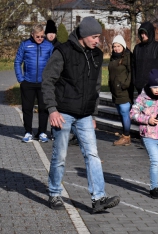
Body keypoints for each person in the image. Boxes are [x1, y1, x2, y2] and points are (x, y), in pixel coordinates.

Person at [41, 17, 120, 213]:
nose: (97, 41)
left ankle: (99, 198)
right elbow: (47, 81)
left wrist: (93, 114)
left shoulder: (97, 55)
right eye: (94, 37)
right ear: (84, 35)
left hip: (85, 115)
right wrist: (52, 110)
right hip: (63, 113)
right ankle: (54, 193)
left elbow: (95, 86)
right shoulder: (63, 52)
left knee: (92, 154)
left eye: (99, 37)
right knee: (60, 155)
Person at [130, 69, 158, 199]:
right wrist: (147, 120)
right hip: (148, 135)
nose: (157, 90)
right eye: (154, 87)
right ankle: (154, 188)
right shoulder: (142, 98)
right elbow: (133, 114)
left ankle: (156, 177)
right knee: (155, 161)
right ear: (149, 86)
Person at [14, 24, 53, 143]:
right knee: (27, 108)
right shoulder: (25, 45)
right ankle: (28, 132)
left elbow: (53, 64)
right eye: (38, 36)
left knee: (43, 109)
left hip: (43, 83)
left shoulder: (49, 46)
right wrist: (21, 79)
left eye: (42, 36)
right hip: (28, 82)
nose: (40, 38)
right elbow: (17, 62)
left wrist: (50, 80)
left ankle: (42, 133)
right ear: (32, 34)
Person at [108, 35, 133, 146]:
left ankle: (126, 136)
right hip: (115, 90)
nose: (116, 48)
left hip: (124, 90)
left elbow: (131, 72)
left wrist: (125, 85)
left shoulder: (128, 57)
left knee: (124, 112)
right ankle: (125, 134)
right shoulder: (113, 57)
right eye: (114, 46)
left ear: (123, 46)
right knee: (120, 112)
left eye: (118, 46)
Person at [132, 21, 158, 94]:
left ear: (150, 33)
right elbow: (133, 66)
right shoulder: (137, 48)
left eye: (145, 33)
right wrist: (135, 81)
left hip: (154, 86)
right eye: (142, 33)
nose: (143, 35)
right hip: (140, 86)